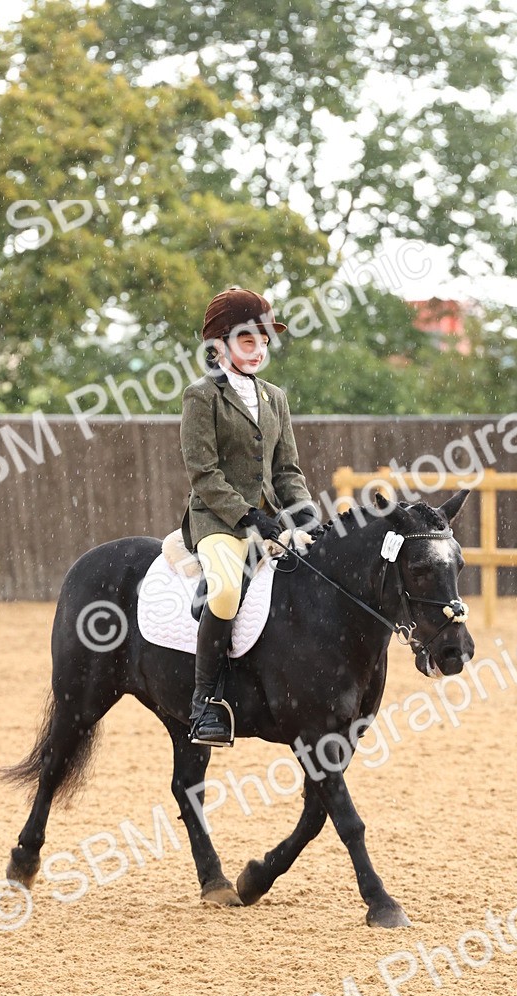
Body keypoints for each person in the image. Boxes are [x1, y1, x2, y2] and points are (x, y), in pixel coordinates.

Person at [179, 285, 323, 747]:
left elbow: (287, 471)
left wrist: (305, 517)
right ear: (218, 344)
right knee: (224, 591)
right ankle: (205, 705)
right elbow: (204, 473)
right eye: (248, 341)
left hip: (271, 522)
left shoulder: (275, 397)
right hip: (218, 522)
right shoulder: (201, 397)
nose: (259, 349)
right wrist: (247, 518)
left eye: (264, 341)